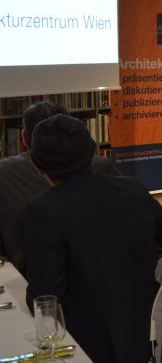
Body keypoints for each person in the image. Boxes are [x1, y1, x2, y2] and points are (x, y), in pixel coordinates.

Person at [25, 114, 162, 363]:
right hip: (137, 335)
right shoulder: (131, 187)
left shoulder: (44, 210)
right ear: (93, 155)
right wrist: (133, 256)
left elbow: (45, 297)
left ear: (37, 165)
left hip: (83, 353)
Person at [0, 100, 119, 275]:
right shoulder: (104, 168)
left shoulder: (5, 173)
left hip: (28, 280)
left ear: (24, 138)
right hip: (103, 272)